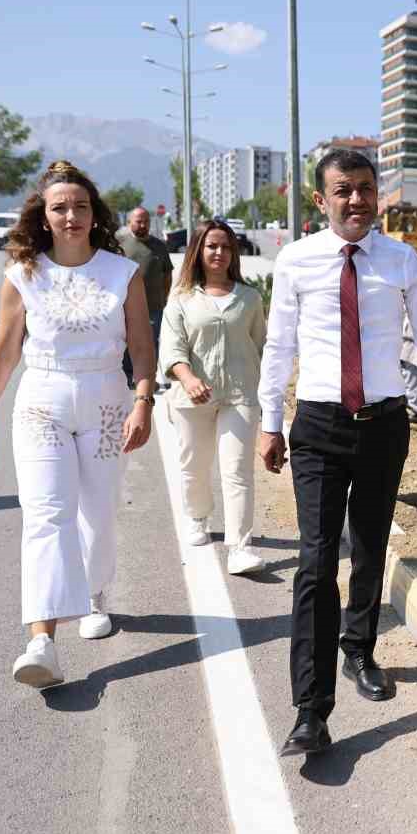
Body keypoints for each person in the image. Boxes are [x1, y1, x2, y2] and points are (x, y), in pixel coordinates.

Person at [257, 148, 417, 757]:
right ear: (320, 201)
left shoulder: (402, 261)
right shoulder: (296, 262)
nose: (357, 200)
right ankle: (310, 710)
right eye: (343, 190)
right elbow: (278, 347)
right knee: (316, 564)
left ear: (379, 197)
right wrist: (271, 422)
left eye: (366, 189)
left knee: (371, 547)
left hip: (383, 425)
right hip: (319, 427)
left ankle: (359, 649)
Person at [0, 161, 155, 688]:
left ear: (94, 213)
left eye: (80, 206)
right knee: (46, 515)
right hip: (41, 401)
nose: (70, 215)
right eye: (59, 208)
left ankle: (96, 595)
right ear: (43, 217)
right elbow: (4, 354)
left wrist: (142, 401)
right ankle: (41, 641)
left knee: (96, 512)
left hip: (105, 402)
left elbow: (142, 348)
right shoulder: (22, 276)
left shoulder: (123, 274)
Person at [160, 219, 269, 576]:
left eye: (225, 246)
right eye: (211, 246)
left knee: (237, 472)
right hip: (192, 400)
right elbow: (172, 349)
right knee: (194, 465)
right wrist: (188, 378)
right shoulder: (182, 299)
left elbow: (259, 346)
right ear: (198, 252)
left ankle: (240, 547)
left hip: (240, 397)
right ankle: (198, 516)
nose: (219, 252)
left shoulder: (250, 298)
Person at [116, 206, 174, 388]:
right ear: (129, 223)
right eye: (138, 221)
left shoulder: (159, 246)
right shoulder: (120, 245)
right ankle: (128, 377)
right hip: (124, 307)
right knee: (125, 343)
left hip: (153, 306)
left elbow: (167, 274)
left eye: (146, 221)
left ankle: (149, 378)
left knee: (151, 343)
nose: (142, 225)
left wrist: (164, 297)